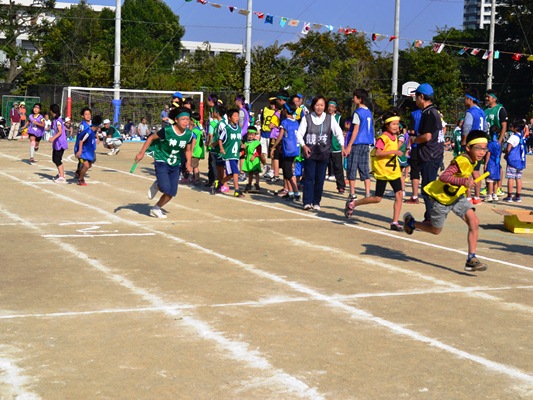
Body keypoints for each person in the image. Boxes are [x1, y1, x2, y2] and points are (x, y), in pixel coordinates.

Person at [403, 130, 490, 272]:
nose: (482, 152)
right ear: (468, 148)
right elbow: (444, 177)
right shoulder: (461, 160)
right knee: (435, 230)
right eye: (478, 148)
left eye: (484, 149)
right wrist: (463, 181)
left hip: (457, 197)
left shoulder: (473, 160)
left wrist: (466, 182)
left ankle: (471, 259)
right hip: (441, 199)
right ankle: (412, 223)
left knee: (474, 222)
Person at [345, 110, 404, 230]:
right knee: (377, 198)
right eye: (393, 124)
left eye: (397, 124)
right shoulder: (383, 138)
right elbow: (378, 153)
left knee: (399, 195)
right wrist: (394, 151)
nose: (396, 126)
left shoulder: (395, 137)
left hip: (393, 172)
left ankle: (395, 222)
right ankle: (353, 203)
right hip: (383, 172)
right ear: (386, 125)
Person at [135, 107, 193, 219]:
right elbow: (151, 138)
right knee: (165, 187)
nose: (186, 122)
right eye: (183, 119)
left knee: (171, 192)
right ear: (176, 120)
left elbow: (188, 150)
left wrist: (188, 163)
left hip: (175, 164)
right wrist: (141, 153)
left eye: (188, 119)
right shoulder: (167, 131)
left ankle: (156, 208)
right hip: (162, 160)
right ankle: (158, 185)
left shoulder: (189, 134)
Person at [297, 95, 345, 211]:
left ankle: (316, 202)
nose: (319, 107)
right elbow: (299, 134)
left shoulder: (330, 119)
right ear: (313, 106)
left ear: (325, 107)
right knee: (309, 178)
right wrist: (304, 146)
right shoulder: (307, 118)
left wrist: (343, 146)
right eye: (317, 105)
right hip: (310, 152)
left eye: (322, 105)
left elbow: (338, 132)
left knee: (320, 179)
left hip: (323, 153)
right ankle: (307, 202)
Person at [411, 83, 445, 222]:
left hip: (430, 155)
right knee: (428, 187)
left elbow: (427, 136)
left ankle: (432, 217)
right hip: (433, 154)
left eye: (416, 96)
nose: (415, 99)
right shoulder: (433, 112)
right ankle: (429, 216)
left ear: (422, 96)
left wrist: (414, 140)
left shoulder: (429, 113)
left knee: (428, 189)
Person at [344, 89, 374, 204]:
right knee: (364, 167)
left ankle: (352, 193)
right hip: (366, 143)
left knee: (352, 167)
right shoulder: (368, 112)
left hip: (357, 142)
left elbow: (356, 130)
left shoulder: (358, 112)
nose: (353, 99)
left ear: (360, 99)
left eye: (355, 97)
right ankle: (367, 193)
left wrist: (349, 146)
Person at [462, 88, 488, 204]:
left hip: (472, 142)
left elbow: (467, 127)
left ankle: (468, 196)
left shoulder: (470, 112)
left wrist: (464, 141)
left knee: (467, 170)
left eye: (465, 98)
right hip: (481, 141)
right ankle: (477, 197)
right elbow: (486, 127)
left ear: (470, 99)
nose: (464, 100)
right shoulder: (482, 112)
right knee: (476, 171)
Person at [271, 101, 301, 200]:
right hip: (294, 149)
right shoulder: (296, 122)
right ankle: (291, 192)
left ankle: (295, 192)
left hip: (288, 150)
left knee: (288, 173)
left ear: (285, 110)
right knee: (286, 170)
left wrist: (274, 147)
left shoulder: (285, 122)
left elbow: (280, 136)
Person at [214, 108, 244, 197]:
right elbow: (220, 139)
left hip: (235, 155)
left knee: (231, 175)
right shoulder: (227, 128)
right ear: (229, 118)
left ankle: (219, 183)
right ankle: (237, 190)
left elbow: (239, 139)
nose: (237, 118)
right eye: (235, 116)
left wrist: (242, 145)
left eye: (238, 116)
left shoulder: (239, 129)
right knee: (235, 172)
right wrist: (221, 148)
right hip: (228, 155)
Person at [503, 119, 528, 203]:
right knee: (518, 178)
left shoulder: (513, 137)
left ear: (516, 128)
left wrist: (506, 155)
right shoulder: (522, 137)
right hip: (520, 161)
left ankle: (509, 196)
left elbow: (508, 148)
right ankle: (518, 196)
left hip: (512, 160)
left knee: (511, 178)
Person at [75, 115, 100, 186]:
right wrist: (79, 151)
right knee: (86, 165)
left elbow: (95, 134)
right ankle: (80, 179)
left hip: (89, 151)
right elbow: (81, 140)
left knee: (89, 165)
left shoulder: (94, 131)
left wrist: (97, 138)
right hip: (83, 151)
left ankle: (79, 172)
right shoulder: (88, 132)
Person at [326, 99, 346, 194]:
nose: (330, 108)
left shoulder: (339, 118)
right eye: (329, 106)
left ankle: (341, 186)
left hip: (336, 146)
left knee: (338, 167)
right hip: (325, 146)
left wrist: (342, 145)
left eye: (332, 107)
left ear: (335, 109)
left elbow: (343, 132)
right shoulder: (324, 117)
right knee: (321, 166)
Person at [48, 104, 68, 184]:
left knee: (57, 159)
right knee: (54, 159)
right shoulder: (54, 120)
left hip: (60, 143)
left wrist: (53, 138)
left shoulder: (58, 121)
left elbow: (60, 132)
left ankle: (62, 176)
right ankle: (60, 173)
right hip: (56, 143)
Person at [405, 108, 422, 204]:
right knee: (427, 172)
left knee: (415, 171)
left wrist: (408, 147)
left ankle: (415, 196)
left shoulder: (415, 114)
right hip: (431, 147)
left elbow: (412, 132)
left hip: (416, 145)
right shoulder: (435, 112)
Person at [242, 126, 263, 192]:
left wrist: (254, 156)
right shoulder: (246, 143)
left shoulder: (257, 143)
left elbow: (259, 151)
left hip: (255, 160)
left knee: (256, 173)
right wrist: (242, 152)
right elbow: (245, 151)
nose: (250, 136)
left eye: (252, 135)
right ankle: (249, 184)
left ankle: (257, 184)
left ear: (255, 135)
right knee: (250, 173)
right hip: (248, 159)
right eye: (249, 135)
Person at [483, 131, 502, 202]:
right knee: (495, 181)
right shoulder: (498, 144)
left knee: (490, 180)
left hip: (491, 163)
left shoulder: (490, 144)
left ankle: (489, 195)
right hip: (497, 163)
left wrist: (485, 163)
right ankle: (495, 195)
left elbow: (488, 154)